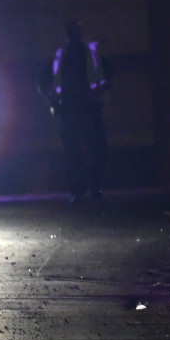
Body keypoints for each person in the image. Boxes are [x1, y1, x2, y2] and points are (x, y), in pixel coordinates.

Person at [45, 20, 109, 204]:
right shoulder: (82, 53)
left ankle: (85, 189)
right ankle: (85, 189)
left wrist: (51, 99)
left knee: (86, 152)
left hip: (81, 109)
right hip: (78, 110)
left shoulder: (69, 54)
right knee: (81, 152)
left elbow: (45, 80)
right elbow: (107, 76)